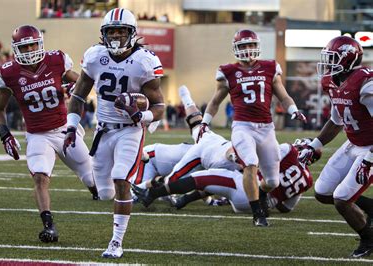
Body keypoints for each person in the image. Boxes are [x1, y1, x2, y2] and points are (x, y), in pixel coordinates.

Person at [63, 8, 165, 258]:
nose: (117, 36)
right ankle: (137, 170)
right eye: (112, 31)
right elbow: (78, 95)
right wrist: (71, 126)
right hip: (103, 131)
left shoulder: (145, 61)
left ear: (132, 33)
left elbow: (159, 105)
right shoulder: (95, 56)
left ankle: (116, 243)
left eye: (122, 31)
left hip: (130, 130)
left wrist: (142, 115)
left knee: (121, 178)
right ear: (103, 34)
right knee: (105, 192)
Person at [0, 25, 98, 244]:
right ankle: (49, 225)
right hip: (38, 135)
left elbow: (83, 83)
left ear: (40, 44)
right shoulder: (8, 73)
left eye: (33, 44)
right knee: (40, 177)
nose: (30, 49)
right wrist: (4, 134)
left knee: (91, 176)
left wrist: (73, 88)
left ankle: (96, 190)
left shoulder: (56, 60)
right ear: (15, 49)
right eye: (25, 46)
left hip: (64, 130)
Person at [199, 29, 306, 226]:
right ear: (236, 49)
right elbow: (215, 102)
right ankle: (258, 213)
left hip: (266, 128)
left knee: (272, 181)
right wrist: (205, 122)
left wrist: (293, 109)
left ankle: (262, 195)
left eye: (250, 45)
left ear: (257, 47)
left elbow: (283, 95)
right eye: (243, 46)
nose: (247, 49)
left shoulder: (270, 67)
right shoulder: (228, 72)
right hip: (243, 127)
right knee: (250, 162)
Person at [298, 36, 373, 258]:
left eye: (333, 58)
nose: (328, 64)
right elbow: (336, 120)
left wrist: (369, 159)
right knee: (322, 193)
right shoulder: (332, 82)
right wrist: (314, 145)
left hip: (370, 147)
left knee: (342, 199)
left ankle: (368, 239)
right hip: (354, 143)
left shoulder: (366, 83)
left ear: (349, 59)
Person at [133, 139, 320, 214]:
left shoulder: (288, 150)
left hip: (246, 190)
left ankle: (152, 194)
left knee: (203, 177)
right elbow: (285, 208)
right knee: (217, 180)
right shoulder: (307, 180)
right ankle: (184, 200)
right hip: (253, 205)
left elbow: (262, 154)